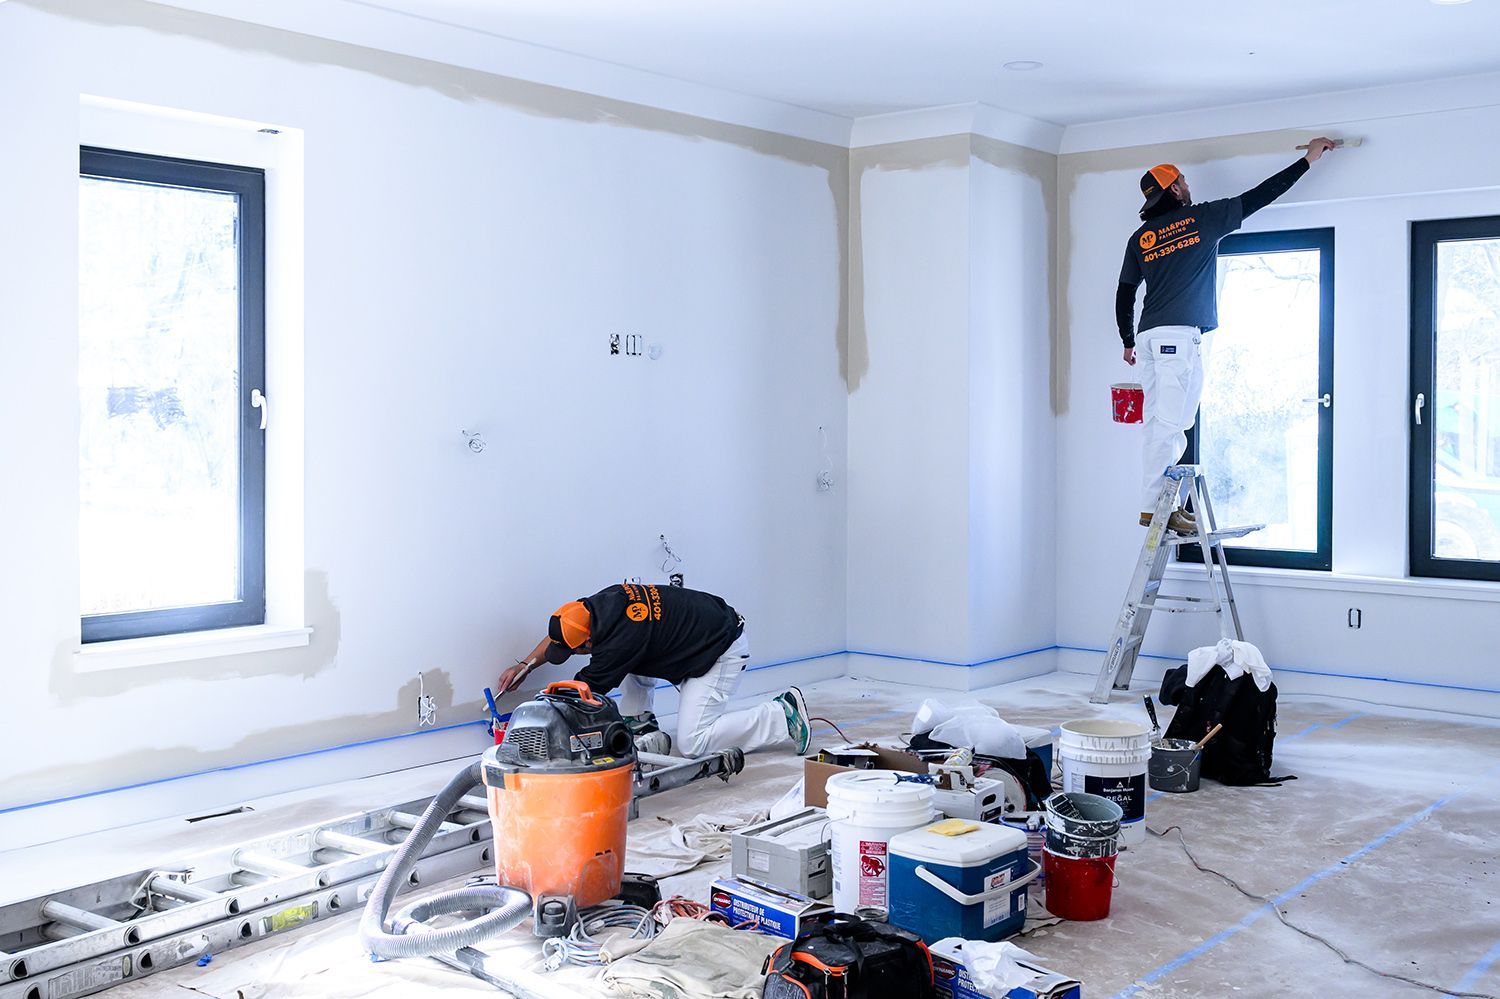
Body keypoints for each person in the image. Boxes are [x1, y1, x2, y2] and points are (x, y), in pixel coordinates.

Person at [1117, 137, 1338, 532]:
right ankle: (1154, 508)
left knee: (1171, 424)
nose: (1188, 186)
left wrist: (1128, 341)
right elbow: (1260, 196)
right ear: (1172, 189)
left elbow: (1124, 291)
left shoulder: (1142, 238)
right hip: (1177, 339)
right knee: (1168, 425)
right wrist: (1308, 160)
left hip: (1154, 337)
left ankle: (1168, 503)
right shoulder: (1199, 219)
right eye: (1182, 181)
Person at [497, 582, 811, 757]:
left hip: (719, 650)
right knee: (632, 662)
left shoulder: (620, 642)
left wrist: (536, 716)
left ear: (588, 640)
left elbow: (580, 697)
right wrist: (526, 664)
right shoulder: (596, 606)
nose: (570, 653)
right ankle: (641, 721)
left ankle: (780, 716)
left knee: (693, 744)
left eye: (575, 650)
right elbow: (560, 633)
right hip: (693, 634)